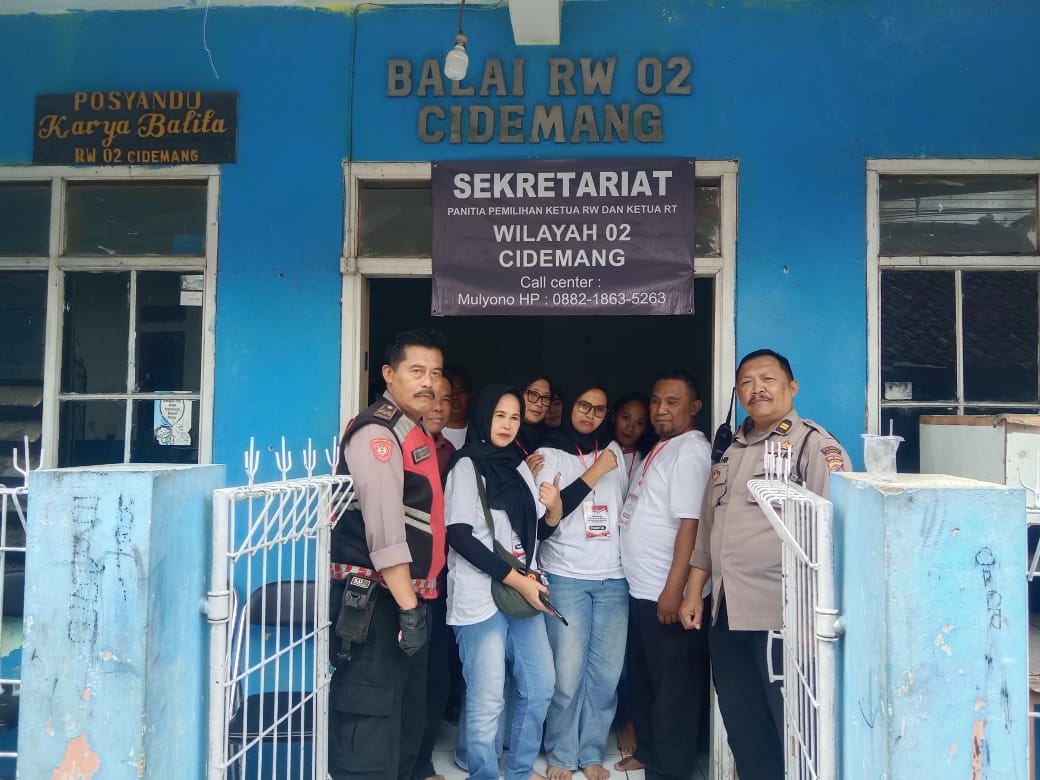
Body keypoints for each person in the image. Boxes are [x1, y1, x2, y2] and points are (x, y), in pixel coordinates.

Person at [680, 349, 851, 780]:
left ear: (792, 387)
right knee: (744, 728)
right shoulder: (730, 449)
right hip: (726, 613)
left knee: (792, 732)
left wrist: (819, 617)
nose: (756, 389)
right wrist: (694, 591)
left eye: (767, 379)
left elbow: (834, 535)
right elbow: (709, 528)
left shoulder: (814, 447)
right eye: (746, 382)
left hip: (783, 617)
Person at [329, 328, 447, 780]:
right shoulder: (378, 432)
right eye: (417, 371)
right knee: (371, 725)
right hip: (378, 603)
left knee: (405, 720)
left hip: (405, 598)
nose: (428, 383)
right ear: (388, 373)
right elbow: (385, 531)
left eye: (435, 373)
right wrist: (409, 609)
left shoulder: (412, 431)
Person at [444, 385, 563, 780]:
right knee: (488, 697)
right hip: (479, 597)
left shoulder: (518, 467)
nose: (508, 425)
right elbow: (459, 536)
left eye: (514, 417)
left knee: (541, 684)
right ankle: (482, 773)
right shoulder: (466, 465)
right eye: (499, 415)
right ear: (484, 416)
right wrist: (519, 581)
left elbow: (532, 536)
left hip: (521, 594)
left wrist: (553, 511)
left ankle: (519, 770)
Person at [616, 371, 712, 780]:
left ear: (694, 407)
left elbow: (692, 525)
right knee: (645, 679)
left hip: (665, 592)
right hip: (642, 588)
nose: (660, 410)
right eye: (656, 401)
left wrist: (676, 590)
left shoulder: (691, 452)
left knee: (674, 690)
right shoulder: (663, 446)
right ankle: (649, 752)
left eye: (672, 402)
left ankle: (670, 770)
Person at [534, 384, 627, 780]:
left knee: (605, 677)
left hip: (614, 578)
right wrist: (596, 471)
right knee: (567, 675)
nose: (590, 415)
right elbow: (548, 519)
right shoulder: (548, 453)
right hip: (566, 575)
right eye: (584, 406)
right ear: (570, 406)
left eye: (600, 409)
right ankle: (561, 753)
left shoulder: (614, 451)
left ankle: (590, 752)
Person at [412, 374, 456, 780]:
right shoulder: (400, 444)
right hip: (402, 582)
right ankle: (407, 764)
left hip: (440, 583)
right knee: (407, 678)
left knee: (435, 676)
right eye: (432, 398)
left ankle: (421, 761)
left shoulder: (451, 453)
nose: (439, 406)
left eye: (446, 399)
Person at [442, 367, 472, 449]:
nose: (455, 396)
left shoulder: (479, 435)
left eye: (461, 391)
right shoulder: (429, 433)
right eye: (450, 390)